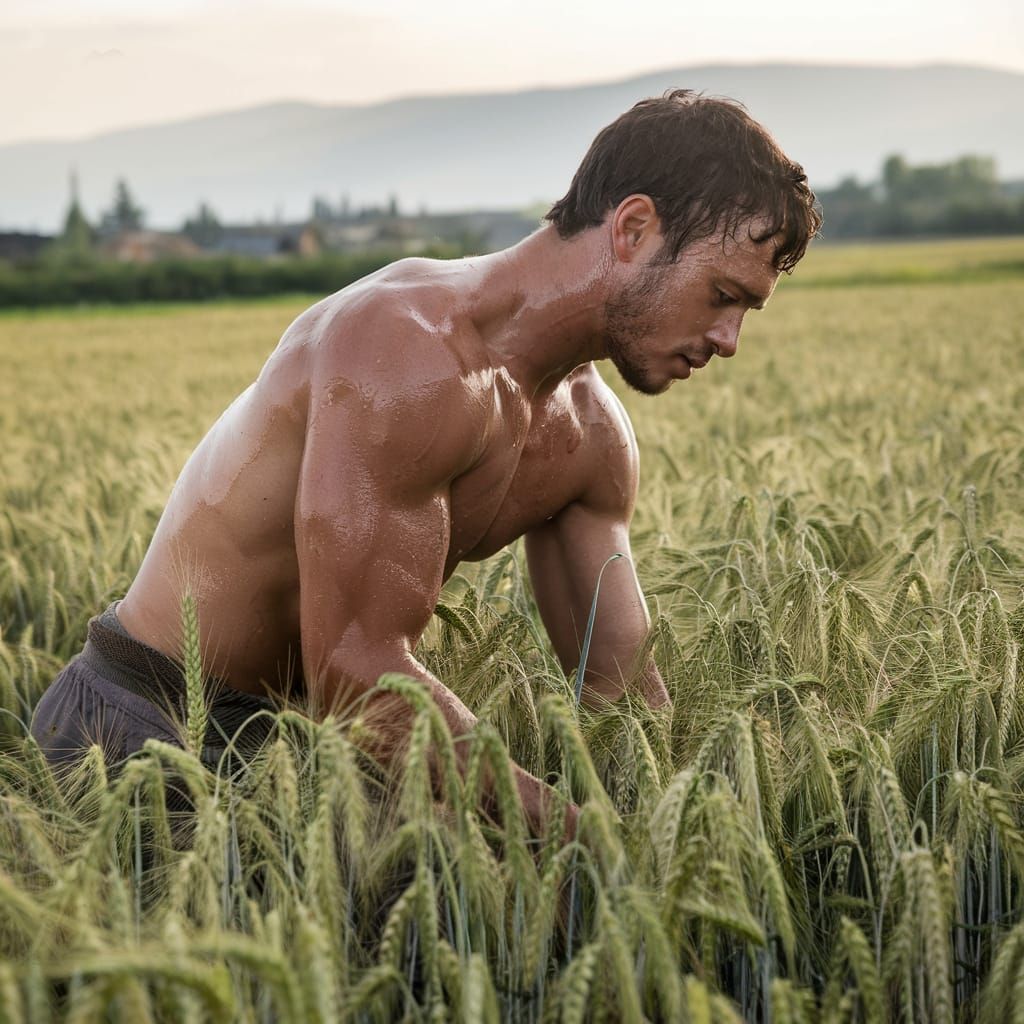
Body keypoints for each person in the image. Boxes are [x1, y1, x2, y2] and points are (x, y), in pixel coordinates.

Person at [30, 88, 820, 845]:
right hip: (136, 727)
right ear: (634, 228)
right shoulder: (404, 349)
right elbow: (353, 675)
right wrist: (580, 835)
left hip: (296, 751)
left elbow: (622, 690)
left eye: (745, 310)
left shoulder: (591, 440)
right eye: (721, 294)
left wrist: (695, 818)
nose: (728, 340)